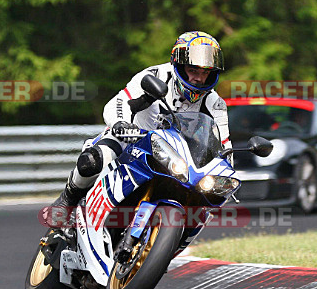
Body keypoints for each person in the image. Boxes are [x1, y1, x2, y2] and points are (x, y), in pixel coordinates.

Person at [42, 31, 231, 227]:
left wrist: (224, 172)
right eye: (193, 70)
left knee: (199, 209)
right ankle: (68, 199)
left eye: (205, 72)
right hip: (132, 139)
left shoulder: (215, 103)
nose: (198, 79)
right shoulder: (154, 76)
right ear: (179, 64)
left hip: (174, 158)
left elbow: (223, 145)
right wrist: (121, 124)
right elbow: (119, 102)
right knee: (94, 160)